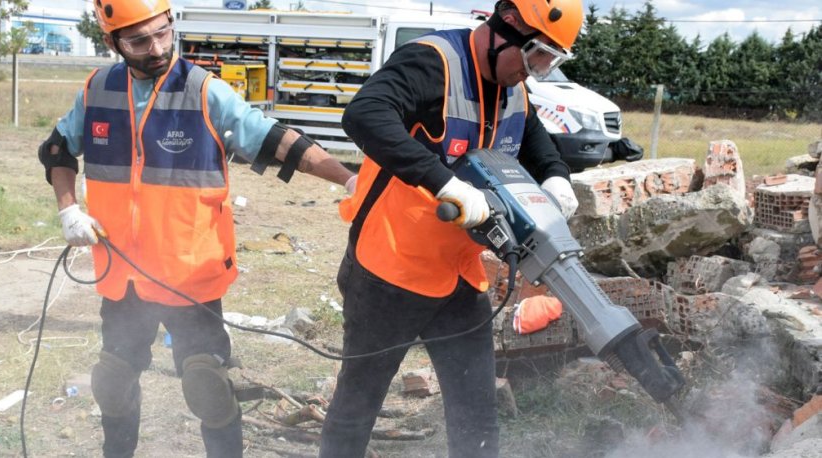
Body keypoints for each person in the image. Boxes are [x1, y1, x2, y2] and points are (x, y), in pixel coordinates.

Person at [37, 1, 355, 457]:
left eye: (164, 33)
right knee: (112, 380)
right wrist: (68, 209)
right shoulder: (97, 90)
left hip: (190, 276)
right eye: (140, 41)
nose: (158, 48)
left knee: (208, 386)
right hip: (122, 273)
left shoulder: (203, 90)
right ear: (113, 43)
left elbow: (274, 139)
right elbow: (58, 150)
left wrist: (347, 177)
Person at [320, 0, 583, 456]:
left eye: (550, 60)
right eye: (536, 55)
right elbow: (363, 115)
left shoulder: (513, 86)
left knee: (477, 414)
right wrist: (443, 181)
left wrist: (556, 175)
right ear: (507, 24)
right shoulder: (431, 62)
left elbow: (535, 140)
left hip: (459, 276)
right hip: (388, 270)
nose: (536, 71)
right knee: (356, 409)